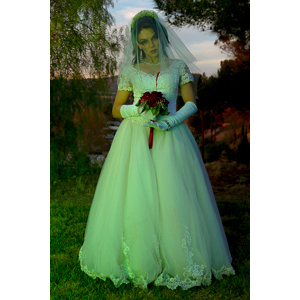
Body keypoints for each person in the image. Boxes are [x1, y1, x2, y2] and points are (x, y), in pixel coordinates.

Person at [79, 10, 235, 290]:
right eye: (143, 41)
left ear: (162, 37)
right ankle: (140, 257)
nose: (150, 46)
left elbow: (191, 102)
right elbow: (116, 109)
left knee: (173, 193)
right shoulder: (130, 72)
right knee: (137, 195)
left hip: (172, 138)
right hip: (135, 139)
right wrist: (139, 111)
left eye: (153, 39)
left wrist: (171, 120)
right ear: (137, 43)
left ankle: (176, 256)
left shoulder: (178, 67)